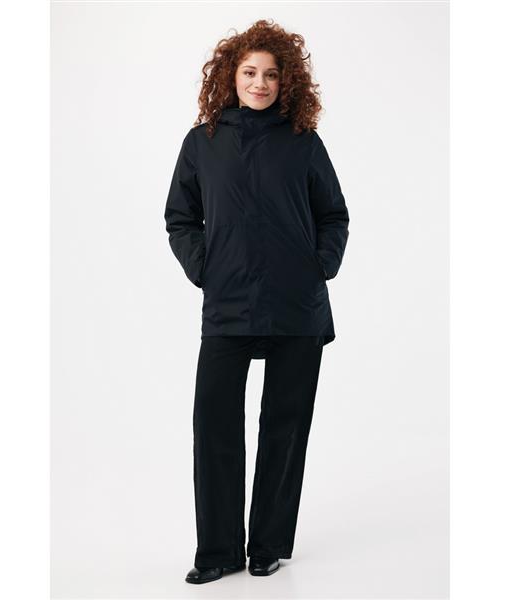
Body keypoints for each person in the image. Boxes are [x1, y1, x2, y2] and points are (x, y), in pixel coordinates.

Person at [164, 19, 350, 584]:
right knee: (214, 425)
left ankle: (268, 544)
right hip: (228, 304)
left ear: (285, 81)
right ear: (231, 76)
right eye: (249, 72)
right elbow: (180, 217)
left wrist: (320, 265)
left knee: (284, 428)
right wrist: (205, 268)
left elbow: (334, 214)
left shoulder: (303, 142)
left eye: (270, 74)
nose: (260, 83)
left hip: (297, 305)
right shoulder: (202, 142)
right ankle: (218, 550)